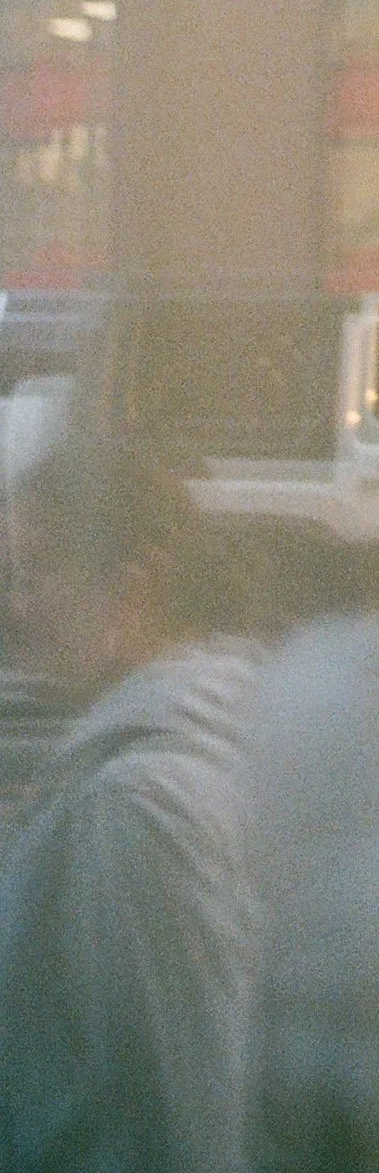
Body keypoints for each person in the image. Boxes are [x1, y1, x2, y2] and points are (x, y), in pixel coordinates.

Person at [0, 427, 265, 1173]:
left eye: (40, 571)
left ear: (133, 585)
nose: (17, 609)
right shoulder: (228, 724)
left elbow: (191, 1114)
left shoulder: (138, 805)